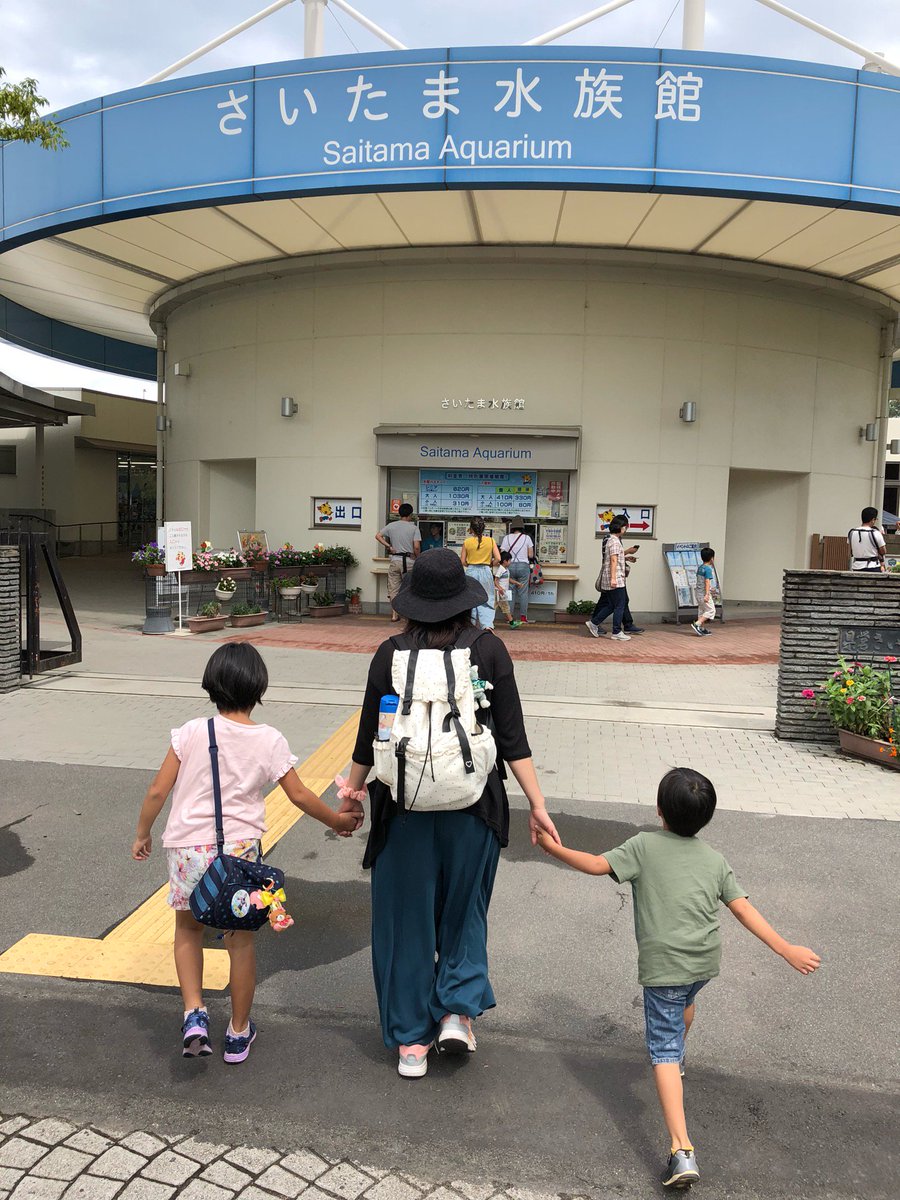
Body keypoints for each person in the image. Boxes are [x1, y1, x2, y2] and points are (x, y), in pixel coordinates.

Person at [536, 766, 820, 1190]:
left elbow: (596, 865)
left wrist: (552, 848)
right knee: (684, 1004)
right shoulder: (713, 858)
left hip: (666, 967)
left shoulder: (643, 846)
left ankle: (681, 1149)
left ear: (659, 809)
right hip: (703, 963)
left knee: (663, 1049)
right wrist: (785, 948)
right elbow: (742, 908)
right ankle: (679, 1055)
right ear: (706, 817)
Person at [333, 550, 561, 1078]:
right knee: (463, 912)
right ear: (464, 600)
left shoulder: (388, 653)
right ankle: (457, 1013)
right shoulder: (489, 650)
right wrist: (538, 805)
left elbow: (370, 735)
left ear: (412, 602)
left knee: (405, 919)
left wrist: (351, 794)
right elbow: (512, 738)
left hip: (403, 807)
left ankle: (411, 1041)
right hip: (474, 808)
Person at [131, 643, 356, 1063]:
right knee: (240, 941)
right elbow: (300, 795)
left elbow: (158, 790)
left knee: (187, 930)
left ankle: (194, 1014)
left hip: (187, 849)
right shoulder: (269, 739)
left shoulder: (192, 732)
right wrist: (337, 822)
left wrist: (142, 833)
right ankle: (237, 1034)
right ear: (258, 688)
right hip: (239, 853)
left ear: (212, 686)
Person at [585, 515, 631, 641]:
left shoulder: (610, 540)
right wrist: (614, 578)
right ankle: (616, 631)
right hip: (615, 578)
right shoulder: (615, 541)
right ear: (621, 527)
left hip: (610, 577)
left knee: (612, 604)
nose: (625, 529)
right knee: (620, 604)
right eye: (625, 527)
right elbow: (614, 560)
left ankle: (594, 623)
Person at [376, 504, 421, 622]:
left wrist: (389, 546)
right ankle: (409, 616)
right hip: (410, 561)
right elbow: (416, 547)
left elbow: (378, 536)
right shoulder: (414, 528)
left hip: (395, 561)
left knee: (394, 589)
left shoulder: (391, 526)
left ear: (399, 514)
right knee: (410, 588)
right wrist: (418, 557)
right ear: (410, 515)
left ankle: (394, 615)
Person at [460, 516, 500, 629]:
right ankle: (487, 626)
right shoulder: (491, 541)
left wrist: (471, 564)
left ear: (471, 529)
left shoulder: (467, 542)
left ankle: (470, 625)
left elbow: (462, 561)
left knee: (470, 598)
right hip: (486, 570)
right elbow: (498, 558)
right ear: (483, 528)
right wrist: (489, 564)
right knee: (487, 597)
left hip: (471, 571)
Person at [500, 516, 534, 624]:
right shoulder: (527, 538)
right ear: (522, 526)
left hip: (509, 565)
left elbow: (502, 554)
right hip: (523, 566)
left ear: (512, 527)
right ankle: (523, 617)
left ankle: (510, 618)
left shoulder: (507, 538)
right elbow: (531, 554)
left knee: (510, 592)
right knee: (523, 593)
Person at [848, 506, 886, 572]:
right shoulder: (875, 533)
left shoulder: (852, 533)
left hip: (856, 566)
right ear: (873, 519)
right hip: (873, 566)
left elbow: (850, 549)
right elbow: (883, 551)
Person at [692, 547, 716, 637]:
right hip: (703, 593)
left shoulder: (700, 568)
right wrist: (707, 594)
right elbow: (707, 581)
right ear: (712, 558)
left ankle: (701, 629)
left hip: (698, 592)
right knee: (711, 610)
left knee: (702, 610)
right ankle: (697, 624)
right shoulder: (708, 569)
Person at [495, 549, 519, 626]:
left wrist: (516, 583)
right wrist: (500, 588)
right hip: (499, 592)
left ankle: (511, 622)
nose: (510, 562)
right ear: (505, 561)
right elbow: (495, 580)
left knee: (501, 607)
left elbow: (508, 579)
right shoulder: (500, 569)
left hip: (502, 592)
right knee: (502, 607)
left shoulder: (506, 570)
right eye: (509, 560)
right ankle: (512, 623)